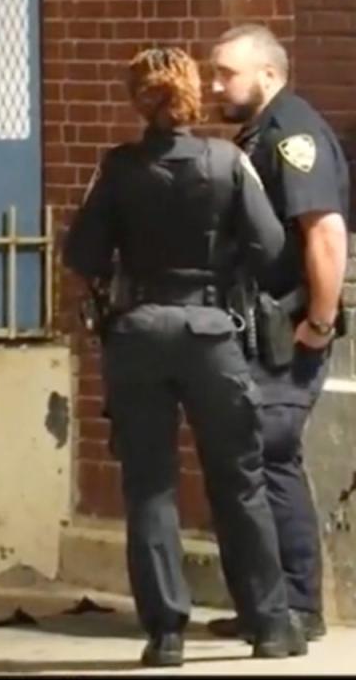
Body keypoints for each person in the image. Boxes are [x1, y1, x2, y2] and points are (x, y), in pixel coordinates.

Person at [63, 46, 306, 667]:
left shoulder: (116, 168)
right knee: (239, 479)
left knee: (148, 486)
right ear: (194, 93)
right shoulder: (227, 162)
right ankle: (271, 625)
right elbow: (271, 244)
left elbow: (83, 254)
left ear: (137, 98)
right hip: (211, 332)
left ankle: (166, 634)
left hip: (139, 333)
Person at [208, 24, 350, 642]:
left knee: (270, 461)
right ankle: (268, 605)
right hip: (264, 330)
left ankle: (295, 606)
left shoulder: (292, 137)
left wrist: (318, 321)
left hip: (286, 334)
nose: (215, 85)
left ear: (267, 74)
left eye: (225, 74)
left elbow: (324, 233)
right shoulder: (263, 134)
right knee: (254, 463)